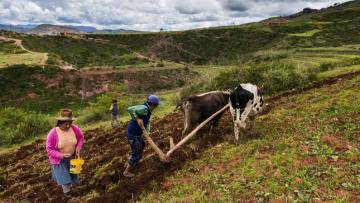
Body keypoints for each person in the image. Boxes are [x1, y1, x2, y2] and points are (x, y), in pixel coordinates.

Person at [46, 109, 85, 197]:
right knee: (64, 177)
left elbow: (81, 139)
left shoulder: (75, 129)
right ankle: (67, 193)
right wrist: (61, 155)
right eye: (66, 124)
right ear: (60, 122)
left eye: (70, 123)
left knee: (73, 174)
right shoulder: (53, 133)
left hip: (72, 157)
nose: (68, 126)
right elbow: (49, 149)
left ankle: (70, 187)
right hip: (59, 160)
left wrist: (78, 147)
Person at [123, 95, 160, 177]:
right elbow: (130, 109)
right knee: (136, 153)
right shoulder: (144, 108)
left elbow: (147, 122)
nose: (156, 107)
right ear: (153, 104)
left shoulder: (148, 109)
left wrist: (148, 132)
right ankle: (126, 171)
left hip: (138, 133)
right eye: (156, 105)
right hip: (133, 133)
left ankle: (133, 162)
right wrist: (137, 119)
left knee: (142, 146)